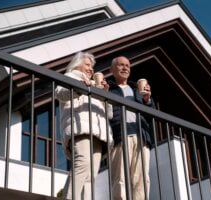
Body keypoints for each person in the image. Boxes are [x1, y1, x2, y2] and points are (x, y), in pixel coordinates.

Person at [55, 51, 113, 200]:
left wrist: (105, 95)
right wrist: (80, 88)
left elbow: (110, 114)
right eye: (87, 64)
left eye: (92, 67)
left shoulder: (95, 84)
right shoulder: (70, 77)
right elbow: (60, 94)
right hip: (80, 128)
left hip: (99, 132)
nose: (91, 69)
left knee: (91, 174)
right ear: (77, 64)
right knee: (82, 164)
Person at [108, 56, 155, 200]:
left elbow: (150, 115)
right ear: (112, 70)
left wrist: (147, 100)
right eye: (121, 65)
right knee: (120, 178)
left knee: (142, 179)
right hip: (120, 136)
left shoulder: (137, 91)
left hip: (141, 136)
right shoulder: (109, 89)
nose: (125, 68)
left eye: (127, 66)